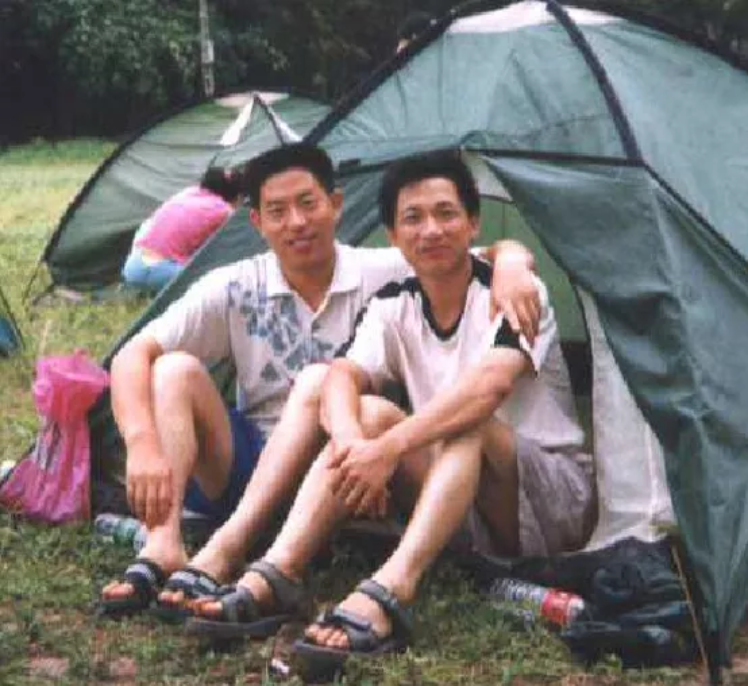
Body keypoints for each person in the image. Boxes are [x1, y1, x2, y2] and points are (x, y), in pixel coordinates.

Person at [187, 150, 594, 678]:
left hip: (552, 503)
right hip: (458, 501)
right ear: (394, 236)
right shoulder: (392, 304)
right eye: (413, 218)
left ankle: (390, 590)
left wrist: (389, 449)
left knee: (466, 423)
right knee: (370, 411)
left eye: (446, 213)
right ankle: (279, 572)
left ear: (473, 223)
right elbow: (340, 376)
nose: (431, 230)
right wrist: (354, 445)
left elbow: (489, 387)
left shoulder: (515, 293)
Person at [96, 143, 540, 620]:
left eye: (308, 204)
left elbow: (468, 255)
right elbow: (131, 355)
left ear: (336, 205)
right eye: (277, 211)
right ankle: (163, 543)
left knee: (319, 380)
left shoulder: (387, 270)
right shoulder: (234, 285)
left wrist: (514, 262)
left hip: (348, 470)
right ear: (257, 222)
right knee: (172, 369)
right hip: (253, 469)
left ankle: (236, 554)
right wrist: (142, 445)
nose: (297, 222)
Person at [121, 166, 243, 292]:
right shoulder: (224, 211)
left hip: (133, 267)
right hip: (166, 272)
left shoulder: (188, 192)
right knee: (218, 280)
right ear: (238, 196)